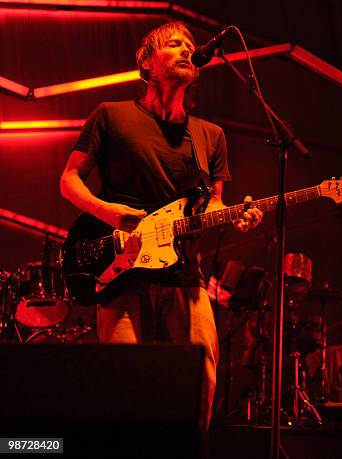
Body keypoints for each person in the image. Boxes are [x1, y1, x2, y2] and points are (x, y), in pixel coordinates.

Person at [59, 22, 263, 429]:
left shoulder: (210, 136)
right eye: (174, 44)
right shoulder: (111, 116)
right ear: (147, 63)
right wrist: (111, 214)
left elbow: (214, 202)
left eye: (190, 46)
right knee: (124, 388)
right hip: (123, 273)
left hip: (185, 277)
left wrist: (235, 216)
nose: (187, 50)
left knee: (199, 384)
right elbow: (68, 180)